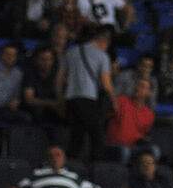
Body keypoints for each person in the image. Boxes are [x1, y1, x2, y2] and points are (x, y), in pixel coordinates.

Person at [57, 25, 115, 161]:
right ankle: (95, 168)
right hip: (88, 98)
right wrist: (114, 101)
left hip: (71, 99)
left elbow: (59, 79)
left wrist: (60, 98)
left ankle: (71, 166)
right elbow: (106, 84)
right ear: (104, 42)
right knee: (97, 136)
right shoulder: (102, 55)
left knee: (76, 136)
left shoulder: (70, 53)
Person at [104, 76, 155, 163]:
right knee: (125, 151)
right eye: (137, 85)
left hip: (134, 148)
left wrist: (145, 139)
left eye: (142, 86)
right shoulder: (121, 101)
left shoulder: (149, 114)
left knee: (154, 150)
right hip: (114, 146)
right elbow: (104, 115)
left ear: (149, 92)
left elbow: (143, 134)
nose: (137, 88)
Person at [22, 45, 66, 128]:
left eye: (50, 59)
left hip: (54, 108)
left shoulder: (57, 75)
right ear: (36, 60)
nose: (47, 63)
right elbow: (29, 99)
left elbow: (60, 97)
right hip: (36, 109)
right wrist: (51, 103)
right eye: (43, 59)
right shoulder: (30, 74)